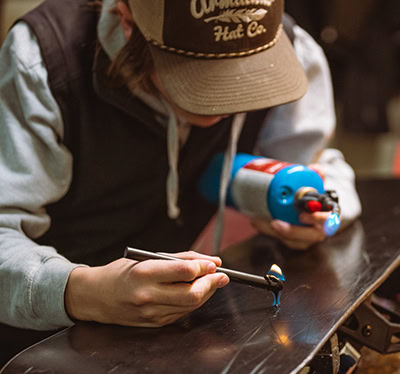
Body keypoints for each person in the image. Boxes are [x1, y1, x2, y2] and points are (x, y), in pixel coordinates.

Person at [0, 0, 361, 334]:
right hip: (40, 339)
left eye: (247, 75)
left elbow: (323, 173)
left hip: (179, 335)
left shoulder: (288, 47)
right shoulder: (44, 59)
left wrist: (323, 217)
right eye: (204, 74)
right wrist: (82, 293)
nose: (231, 97)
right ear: (126, 20)